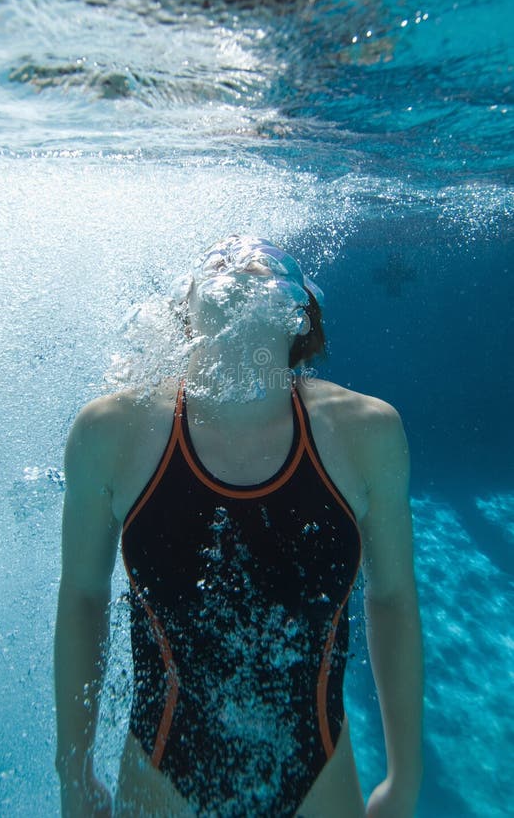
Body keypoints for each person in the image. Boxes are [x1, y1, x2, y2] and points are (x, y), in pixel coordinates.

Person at [54, 235, 423, 818]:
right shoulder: (113, 432)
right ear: (187, 310)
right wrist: (71, 767)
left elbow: (394, 598)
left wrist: (405, 775)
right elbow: (81, 596)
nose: (241, 260)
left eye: (263, 259)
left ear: (302, 315)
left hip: (321, 776)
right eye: (219, 260)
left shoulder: (366, 432)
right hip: (159, 775)